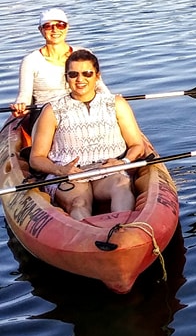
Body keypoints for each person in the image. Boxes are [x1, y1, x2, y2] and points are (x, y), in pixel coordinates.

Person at [27, 50, 146, 221]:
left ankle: (122, 229)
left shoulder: (116, 103)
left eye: (87, 73)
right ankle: (85, 239)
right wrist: (59, 169)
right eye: (73, 74)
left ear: (97, 76)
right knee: (79, 202)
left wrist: (123, 162)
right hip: (69, 174)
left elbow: (137, 145)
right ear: (66, 78)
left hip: (107, 170)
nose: (80, 79)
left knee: (122, 187)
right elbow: (36, 158)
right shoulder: (52, 110)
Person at [10, 8, 109, 133]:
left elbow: (99, 86)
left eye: (60, 25)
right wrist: (20, 106)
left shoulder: (84, 54)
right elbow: (24, 96)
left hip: (81, 108)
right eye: (48, 26)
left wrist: (112, 100)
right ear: (41, 30)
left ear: (67, 27)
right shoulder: (30, 61)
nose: (55, 30)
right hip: (46, 114)